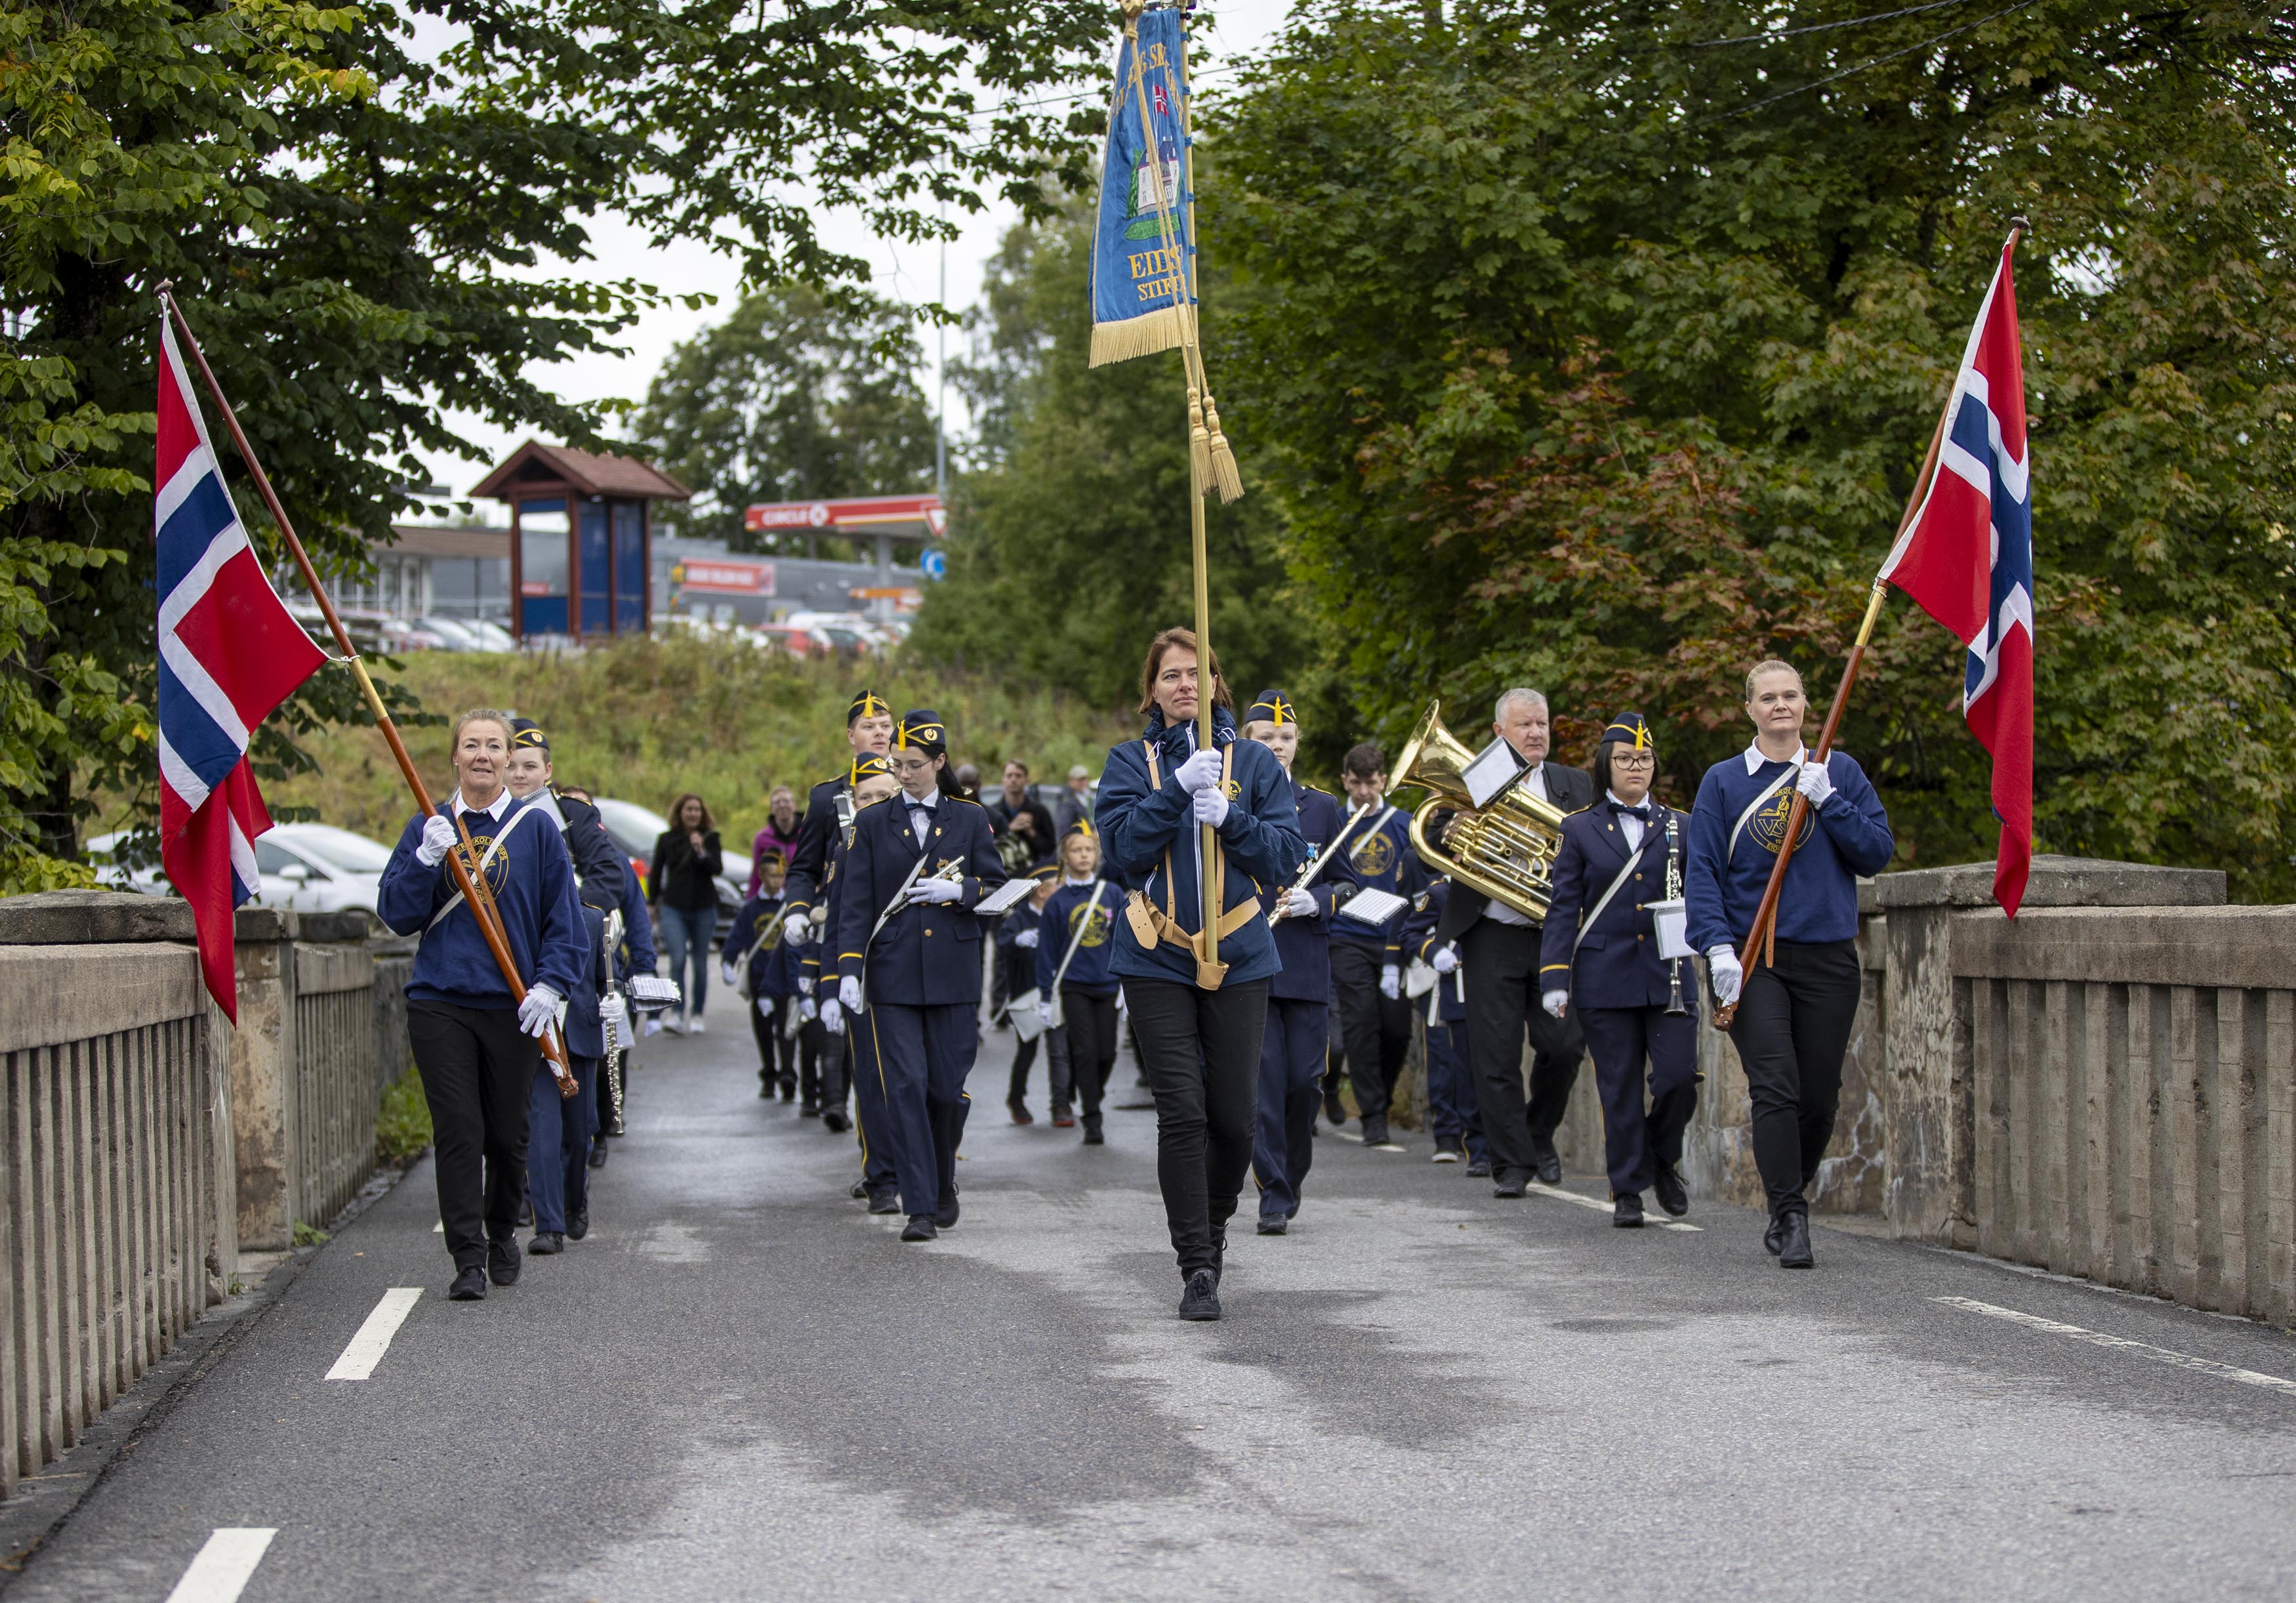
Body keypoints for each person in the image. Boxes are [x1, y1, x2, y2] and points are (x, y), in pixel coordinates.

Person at [1097, 628, 1304, 1321]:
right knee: (1181, 1111)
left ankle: (1214, 1226)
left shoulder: (1253, 761)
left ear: (1216, 683)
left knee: (1235, 1120)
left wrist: (1232, 818)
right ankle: (1195, 1265)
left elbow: (1284, 857)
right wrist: (1174, 794)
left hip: (1240, 952)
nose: (1184, 684)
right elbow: (1120, 852)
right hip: (1155, 952)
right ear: (1151, 690)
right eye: (1169, 676)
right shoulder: (1129, 761)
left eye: (1196, 673)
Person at [1685, 661, 1893, 1268]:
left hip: (1828, 956)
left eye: (1791, 696)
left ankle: (1788, 1189)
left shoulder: (1840, 771)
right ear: (1749, 708)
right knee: (1775, 1085)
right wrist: (1716, 946)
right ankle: (1790, 1213)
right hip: (1755, 960)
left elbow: (1876, 852)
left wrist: (1829, 801)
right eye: (1768, 697)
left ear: (1806, 704)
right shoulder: (1723, 783)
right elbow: (1701, 873)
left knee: (1819, 1096)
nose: (1781, 706)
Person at [377, 709, 586, 1301]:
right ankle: (467, 1257)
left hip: (513, 1005)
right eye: (471, 745)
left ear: (506, 759)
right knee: (459, 1131)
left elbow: (564, 923)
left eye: (494, 746)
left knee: (507, 1133)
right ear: (455, 757)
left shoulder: (536, 829)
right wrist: (423, 861)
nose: (483, 756)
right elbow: (394, 913)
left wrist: (550, 986)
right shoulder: (429, 823)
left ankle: (501, 1233)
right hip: (440, 1001)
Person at [830, 710, 1006, 1242]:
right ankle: (920, 1206)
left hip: (953, 974)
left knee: (946, 1091)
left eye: (914, 765)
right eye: (897, 764)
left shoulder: (970, 819)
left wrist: (962, 892)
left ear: (939, 763)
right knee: (904, 1086)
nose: (904, 774)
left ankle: (943, 1178)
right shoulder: (870, 822)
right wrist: (848, 969)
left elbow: (998, 888)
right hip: (893, 975)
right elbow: (855, 905)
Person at [1427, 687, 1596, 1197]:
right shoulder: (1474, 778)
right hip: (1491, 934)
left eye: (1542, 723)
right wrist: (1451, 829)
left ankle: (1537, 1133)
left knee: (1565, 1046)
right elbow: (1433, 835)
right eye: (1525, 725)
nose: (1537, 733)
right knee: (1494, 1057)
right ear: (1501, 732)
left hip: (1553, 936)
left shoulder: (1575, 782)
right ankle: (1512, 1163)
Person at [1537, 713, 1700, 1228]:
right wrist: (1555, 976)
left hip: (1669, 970)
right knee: (1620, 1086)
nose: (1636, 767)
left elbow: (1702, 895)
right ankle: (1628, 1188)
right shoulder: (1579, 827)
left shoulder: (1681, 825)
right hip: (1604, 975)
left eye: (1645, 758)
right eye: (1626, 759)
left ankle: (1661, 1157)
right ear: (1605, 765)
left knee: (1678, 1078)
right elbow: (1564, 907)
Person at [501, 722, 628, 1251]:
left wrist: (566, 895)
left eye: (530, 765)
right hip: (520, 983)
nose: (520, 774)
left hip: (575, 985)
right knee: (539, 1115)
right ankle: (548, 1222)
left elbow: (611, 880)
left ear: (548, 772)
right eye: (512, 765)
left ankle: (574, 1200)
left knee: (580, 1127)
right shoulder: (494, 824)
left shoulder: (576, 819)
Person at [1240, 690, 1359, 1234]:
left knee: (1305, 1084)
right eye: (1267, 738)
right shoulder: (1230, 804)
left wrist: (1322, 900)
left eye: (1286, 738)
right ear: (1246, 742)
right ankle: (1272, 1193)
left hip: (1307, 963)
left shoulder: (1323, 806)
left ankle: (1292, 1176)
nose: (1278, 746)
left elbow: (1349, 882)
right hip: (1252, 963)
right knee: (1263, 1084)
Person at [1326, 740, 1418, 1150]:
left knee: (1397, 1028)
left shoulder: (1404, 824)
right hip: (1347, 938)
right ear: (1345, 780)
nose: (1364, 792)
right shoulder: (1334, 822)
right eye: (1357, 783)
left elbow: (1417, 881)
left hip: (1394, 940)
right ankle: (1374, 1115)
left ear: (1383, 781)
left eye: (1372, 783)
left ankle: (1380, 1094)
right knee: (1360, 1024)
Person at [781, 689, 897, 950]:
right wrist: (798, 911)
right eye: (868, 726)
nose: (879, 732)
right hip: (840, 923)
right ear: (851, 735)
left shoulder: (913, 789)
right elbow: (804, 868)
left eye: (885, 726)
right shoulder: (826, 797)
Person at [1035, 822, 1122, 1144]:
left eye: (1088, 849)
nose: (1084, 855)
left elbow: (1122, 942)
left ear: (1096, 855)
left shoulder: (1112, 894)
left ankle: (1088, 1092)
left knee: (1107, 1053)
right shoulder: (1057, 902)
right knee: (1085, 1051)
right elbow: (1046, 952)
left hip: (1109, 985)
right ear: (1065, 857)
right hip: (1074, 986)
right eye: (1076, 850)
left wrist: (1127, 985)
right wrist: (1046, 997)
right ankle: (1093, 1117)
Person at [1404, 876, 1488, 1171]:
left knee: (1497, 1068)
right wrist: (1434, 952)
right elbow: (1410, 932)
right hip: (1459, 989)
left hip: (1499, 986)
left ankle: (1498, 1146)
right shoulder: (1441, 891)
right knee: (1462, 1068)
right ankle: (1476, 1148)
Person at [723, 850, 800, 1101]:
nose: (777, 881)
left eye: (781, 876)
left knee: (786, 1030)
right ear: (761, 876)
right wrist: (728, 960)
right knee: (764, 1032)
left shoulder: (790, 908)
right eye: (772, 876)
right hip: (759, 980)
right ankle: (769, 1075)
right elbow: (736, 938)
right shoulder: (751, 909)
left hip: (786, 981)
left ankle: (788, 1074)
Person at [996, 864, 1066, 1123]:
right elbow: (1002, 946)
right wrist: (1017, 940)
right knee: (1027, 1051)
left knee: (1059, 1050)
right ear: (1040, 892)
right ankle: (1016, 1098)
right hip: (1028, 995)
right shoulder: (1018, 918)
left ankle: (1061, 1104)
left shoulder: (1058, 914)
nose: (1061, 890)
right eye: (1056, 886)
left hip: (1056, 994)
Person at [649, 793, 723, 1034]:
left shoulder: (711, 838)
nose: (693, 814)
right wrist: (652, 903)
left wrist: (701, 850)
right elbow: (656, 872)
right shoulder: (666, 839)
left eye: (697, 810)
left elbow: (717, 869)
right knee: (678, 959)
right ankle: (677, 1013)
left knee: (700, 963)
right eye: (688, 809)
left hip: (704, 907)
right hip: (674, 907)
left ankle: (698, 1013)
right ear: (679, 812)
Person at [747, 785, 803, 897]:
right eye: (777, 802)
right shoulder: (762, 838)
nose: (782, 805)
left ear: (794, 806)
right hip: (774, 898)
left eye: (786, 801)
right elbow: (756, 875)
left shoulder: (807, 834)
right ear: (771, 809)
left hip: (802, 895)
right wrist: (750, 902)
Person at [1055, 764, 1095, 837]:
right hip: (1075, 839)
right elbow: (1063, 827)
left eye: (1086, 779)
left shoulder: (1090, 796)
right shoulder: (1066, 800)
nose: (1084, 782)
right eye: (1080, 779)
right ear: (1071, 781)